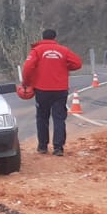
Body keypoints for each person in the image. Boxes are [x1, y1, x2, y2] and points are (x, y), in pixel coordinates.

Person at [21, 28, 82, 156]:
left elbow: (27, 67)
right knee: (59, 118)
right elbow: (77, 63)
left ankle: (43, 146)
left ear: (42, 38)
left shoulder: (37, 50)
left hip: (42, 90)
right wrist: (65, 66)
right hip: (60, 90)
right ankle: (58, 148)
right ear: (55, 38)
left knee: (42, 118)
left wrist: (26, 83)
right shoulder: (64, 50)